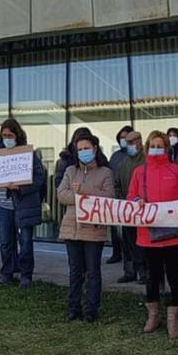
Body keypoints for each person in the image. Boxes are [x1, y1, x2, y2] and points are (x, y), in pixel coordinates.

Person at [127, 130, 178, 339]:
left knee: (174, 277)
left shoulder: (176, 170)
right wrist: (137, 201)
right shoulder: (139, 172)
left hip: (173, 234)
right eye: (153, 145)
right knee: (152, 277)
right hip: (148, 235)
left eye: (160, 145)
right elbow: (131, 196)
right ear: (147, 147)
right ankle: (153, 316)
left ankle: (174, 319)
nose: (156, 149)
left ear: (166, 147)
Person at [57, 134, 114, 322]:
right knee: (75, 271)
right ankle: (73, 307)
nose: (83, 152)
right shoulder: (70, 171)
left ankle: (91, 309)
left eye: (86, 148)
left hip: (93, 228)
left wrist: (82, 190)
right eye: (80, 149)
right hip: (72, 228)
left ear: (95, 149)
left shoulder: (105, 172)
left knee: (93, 271)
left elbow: (108, 197)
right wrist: (82, 197)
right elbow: (62, 195)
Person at [0, 118, 47, 289]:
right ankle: (7, 273)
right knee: (6, 242)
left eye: (10, 135)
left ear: (17, 135)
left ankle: (26, 275)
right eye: (3, 135)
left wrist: (20, 188)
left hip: (23, 205)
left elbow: (39, 178)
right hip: (1, 204)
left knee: (26, 242)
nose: (6, 138)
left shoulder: (28, 154)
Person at [115, 130, 146, 284]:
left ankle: (144, 273)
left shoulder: (147, 161)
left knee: (141, 243)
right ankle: (129, 272)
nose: (130, 145)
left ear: (140, 142)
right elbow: (117, 185)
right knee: (127, 243)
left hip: (144, 210)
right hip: (127, 210)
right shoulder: (123, 163)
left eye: (132, 142)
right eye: (128, 143)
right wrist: (121, 200)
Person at [104, 125, 133, 264]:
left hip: (133, 198)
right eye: (121, 138)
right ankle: (117, 253)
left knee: (131, 233)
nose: (123, 140)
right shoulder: (115, 156)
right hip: (117, 197)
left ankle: (133, 258)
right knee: (116, 230)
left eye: (126, 137)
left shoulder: (135, 154)